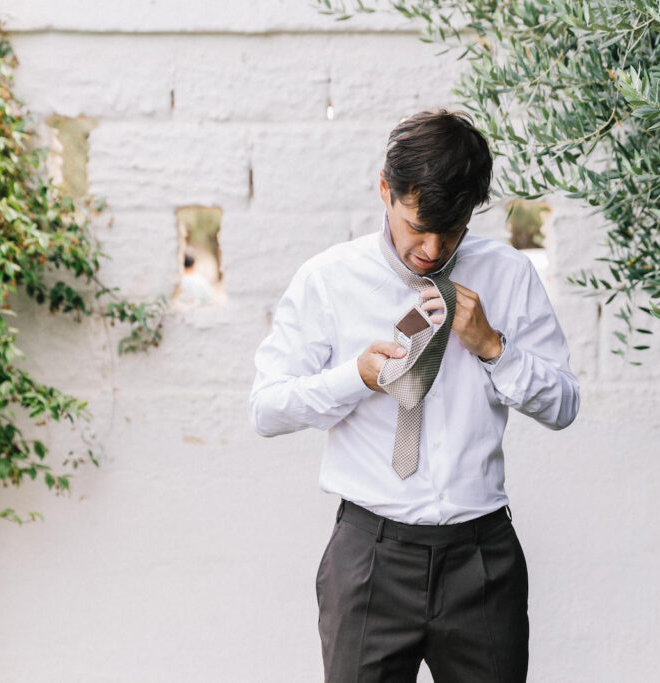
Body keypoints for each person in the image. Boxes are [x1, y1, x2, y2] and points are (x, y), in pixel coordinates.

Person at [248, 110, 580, 682]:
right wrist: (355, 376)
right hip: (369, 557)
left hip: (482, 559)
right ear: (386, 189)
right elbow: (267, 409)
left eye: (450, 232)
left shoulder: (509, 275)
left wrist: (494, 347)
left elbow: (563, 406)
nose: (430, 248)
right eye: (416, 226)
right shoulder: (328, 279)